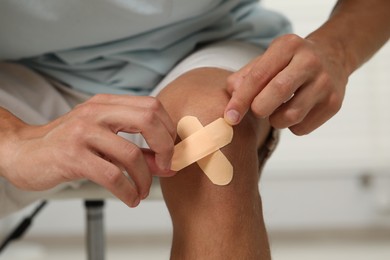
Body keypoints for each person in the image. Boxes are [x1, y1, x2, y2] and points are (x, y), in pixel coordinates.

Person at [0, 0, 388, 258]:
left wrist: (338, 49)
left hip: (200, 44)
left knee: (211, 130)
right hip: (12, 69)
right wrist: (13, 141)